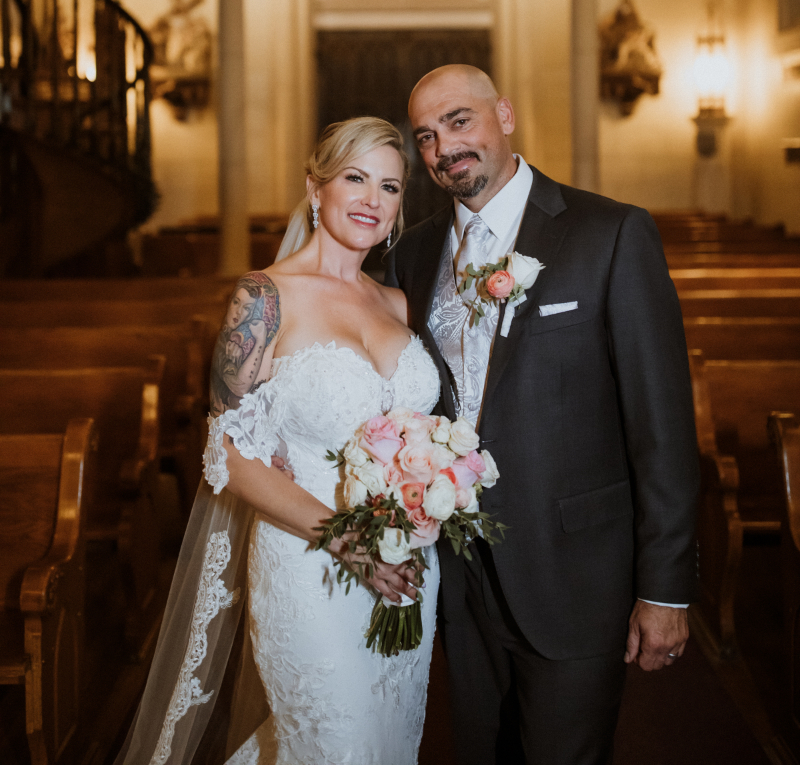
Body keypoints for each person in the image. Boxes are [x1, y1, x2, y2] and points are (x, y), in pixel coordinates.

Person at [385, 64, 699, 765]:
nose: (444, 149)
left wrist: (666, 589)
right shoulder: (413, 254)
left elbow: (664, 429)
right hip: (461, 583)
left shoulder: (610, 234)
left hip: (577, 576)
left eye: (459, 122)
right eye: (427, 137)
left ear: (504, 113)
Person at [117, 118, 441, 765]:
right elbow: (228, 456)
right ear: (314, 187)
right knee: (336, 745)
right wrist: (347, 541)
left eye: (390, 185)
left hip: (407, 566)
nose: (372, 199)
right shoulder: (263, 299)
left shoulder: (401, 304)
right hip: (309, 558)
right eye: (354, 178)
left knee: (388, 743)